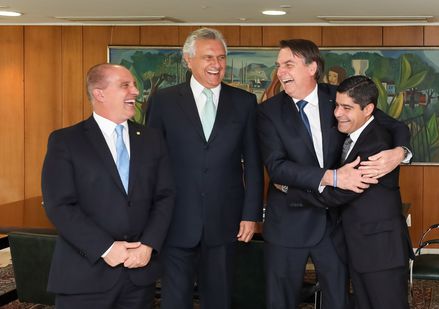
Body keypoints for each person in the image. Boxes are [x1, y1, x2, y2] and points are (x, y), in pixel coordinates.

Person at [257, 39, 411, 309]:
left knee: (339, 300)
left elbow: (391, 123)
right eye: (278, 65)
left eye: (288, 65)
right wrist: (331, 177)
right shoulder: (268, 112)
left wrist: (401, 152)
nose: (280, 72)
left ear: (312, 67)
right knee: (280, 301)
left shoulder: (338, 99)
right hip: (288, 225)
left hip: (336, 227)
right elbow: (277, 166)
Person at [145, 28, 263, 309]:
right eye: (208, 57)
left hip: (226, 220)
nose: (216, 64)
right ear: (188, 59)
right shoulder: (163, 101)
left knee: (219, 298)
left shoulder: (244, 102)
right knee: (175, 298)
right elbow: (150, 162)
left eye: (221, 58)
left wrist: (251, 214)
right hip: (175, 219)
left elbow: (255, 163)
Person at [41, 63, 175, 309]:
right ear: (99, 93)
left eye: (134, 84)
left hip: (138, 275)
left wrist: (148, 245)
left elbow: (165, 197)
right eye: (125, 85)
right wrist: (105, 248)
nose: (136, 91)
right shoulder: (66, 141)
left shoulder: (152, 139)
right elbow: (59, 205)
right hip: (85, 276)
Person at [294, 75, 413, 309]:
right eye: (337, 105)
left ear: (368, 109)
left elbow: (339, 194)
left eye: (346, 108)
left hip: (380, 253)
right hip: (361, 249)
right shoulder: (356, 133)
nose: (337, 113)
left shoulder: (375, 145)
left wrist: (291, 190)